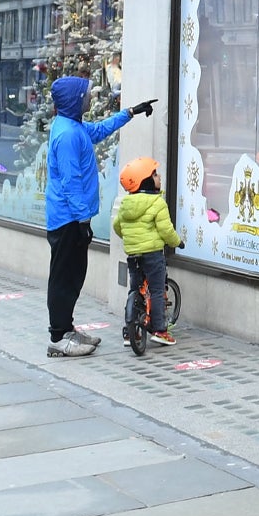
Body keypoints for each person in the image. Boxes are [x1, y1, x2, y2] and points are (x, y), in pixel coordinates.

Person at [45, 76, 155, 358]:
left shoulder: (74, 126)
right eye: (85, 95)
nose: (89, 98)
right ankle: (58, 337)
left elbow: (99, 130)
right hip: (68, 220)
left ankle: (66, 329)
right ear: (73, 99)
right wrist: (82, 221)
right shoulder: (68, 135)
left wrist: (130, 112)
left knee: (72, 277)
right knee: (64, 279)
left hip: (72, 219)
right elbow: (71, 183)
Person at [115, 156, 183, 346]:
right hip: (153, 255)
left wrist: (132, 239)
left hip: (133, 254)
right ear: (146, 181)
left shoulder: (125, 204)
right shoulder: (157, 203)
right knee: (156, 290)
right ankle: (160, 331)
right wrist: (177, 242)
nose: (159, 177)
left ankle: (131, 332)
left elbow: (117, 226)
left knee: (135, 289)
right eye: (154, 174)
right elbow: (166, 230)